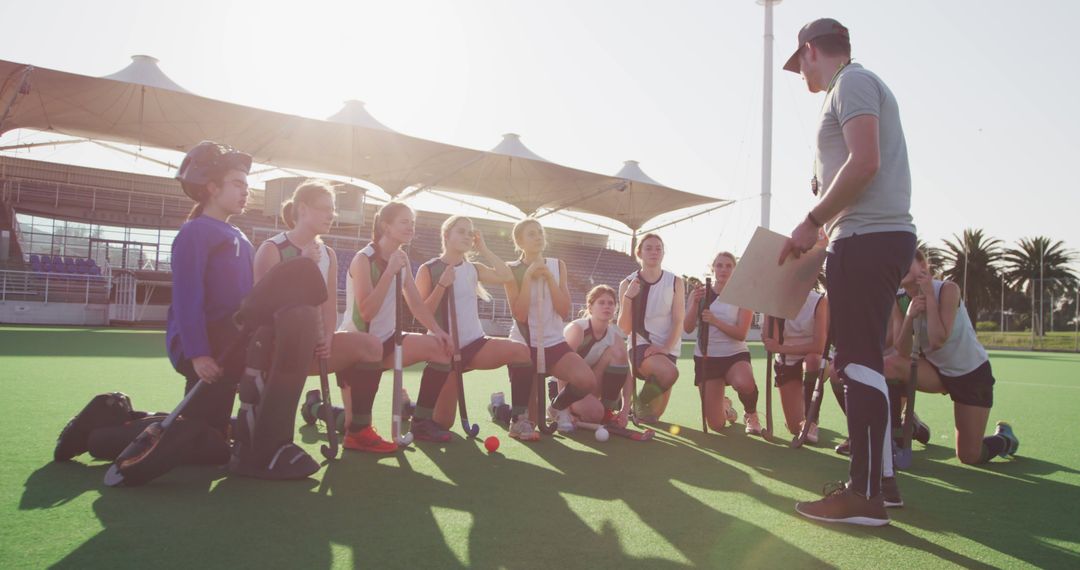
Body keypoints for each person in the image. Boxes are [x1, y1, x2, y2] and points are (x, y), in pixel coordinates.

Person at [779, 18, 917, 526]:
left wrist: (812, 220)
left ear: (811, 51)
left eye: (799, 64)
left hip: (866, 239)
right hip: (868, 237)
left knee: (856, 363)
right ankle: (880, 482)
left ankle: (863, 496)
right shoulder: (855, 87)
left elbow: (864, 163)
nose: (800, 75)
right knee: (865, 366)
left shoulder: (852, 82)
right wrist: (823, 228)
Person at [169, 141, 321, 479]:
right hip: (209, 351)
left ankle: (261, 443)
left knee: (214, 439)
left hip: (232, 346)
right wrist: (198, 354)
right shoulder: (195, 232)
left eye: (247, 186)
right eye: (237, 184)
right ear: (211, 188)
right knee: (203, 444)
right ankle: (109, 431)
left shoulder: (237, 234)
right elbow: (186, 297)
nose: (245, 193)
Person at [250, 180, 383, 436]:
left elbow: (329, 303)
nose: (331, 215)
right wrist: (301, 263)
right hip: (278, 349)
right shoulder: (272, 248)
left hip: (314, 346)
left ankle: (359, 431)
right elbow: (261, 308)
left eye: (332, 209)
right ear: (303, 209)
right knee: (269, 433)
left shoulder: (329, 254)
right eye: (324, 208)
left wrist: (328, 336)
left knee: (371, 345)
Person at [336, 201, 453, 450]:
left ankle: (421, 422)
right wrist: (389, 271)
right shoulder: (363, 259)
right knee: (350, 425)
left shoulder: (402, 258)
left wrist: (439, 331)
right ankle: (317, 408)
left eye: (412, 222)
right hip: (359, 344)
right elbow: (367, 312)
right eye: (404, 222)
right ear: (386, 226)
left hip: (388, 340)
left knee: (442, 350)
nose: (411, 227)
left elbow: (416, 304)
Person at [884, 250, 1018, 465]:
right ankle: (896, 437)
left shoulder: (947, 290)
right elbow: (902, 351)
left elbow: (938, 340)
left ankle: (1004, 439)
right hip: (935, 371)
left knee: (969, 456)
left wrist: (928, 296)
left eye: (905, 260)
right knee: (891, 365)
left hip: (970, 375)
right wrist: (909, 316)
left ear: (923, 266)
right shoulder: (899, 298)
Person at [411, 216, 534, 431]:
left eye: (470, 232)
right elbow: (422, 313)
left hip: (476, 345)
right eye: (461, 231)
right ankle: (409, 408)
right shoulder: (428, 269)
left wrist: (484, 248)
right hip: (445, 350)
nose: (467, 236)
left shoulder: (473, 269)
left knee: (521, 351)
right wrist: (442, 284)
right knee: (443, 422)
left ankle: (518, 419)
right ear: (446, 235)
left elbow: (506, 276)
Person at [503, 218, 596, 440]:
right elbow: (520, 314)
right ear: (519, 241)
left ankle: (556, 407)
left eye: (540, 233)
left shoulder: (557, 265)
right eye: (531, 234)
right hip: (524, 344)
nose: (538, 237)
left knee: (586, 380)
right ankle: (504, 412)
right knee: (530, 422)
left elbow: (564, 310)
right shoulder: (511, 269)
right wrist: (528, 278)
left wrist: (549, 279)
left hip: (553, 342)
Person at [684, 252, 759, 433]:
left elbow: (741, 334)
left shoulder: (743, 294)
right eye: (719, 265)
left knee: (744, 383)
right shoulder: (700, 293)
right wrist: (694, 303)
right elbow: (687, 328)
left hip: (734, 354)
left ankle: (751, 414)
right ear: (712, 268)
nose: (723, 269)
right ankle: (725, 405)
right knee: (716, 425)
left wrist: (716, 321)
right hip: (707, 357)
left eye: (728, 266)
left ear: (735, 269)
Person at [618, 233, 685, 422]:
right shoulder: (627, 283)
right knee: (669, 372)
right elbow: (624, 328)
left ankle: (638, 402)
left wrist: (664, 348)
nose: (654, 252)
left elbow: (679, 320)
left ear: (664, 253)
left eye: (658, 248)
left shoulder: (675, 282)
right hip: (641, 347)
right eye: (648, 248)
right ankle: (636, 403)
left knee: (653, 416)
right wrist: (629, 298)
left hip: (667, 349)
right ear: (639, 252)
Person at [560, 285, 633, 428]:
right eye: (601, 302)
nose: (607, 306)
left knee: (617, 353)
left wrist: (625, 410)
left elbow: (627, 376)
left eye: (611, 303)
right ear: (590, 307)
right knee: (594, 414)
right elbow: (562, 369)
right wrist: (564, 409)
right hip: (565, 388)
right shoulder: (577, 329)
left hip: (590, 385)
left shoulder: (615, 337)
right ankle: (557, 408)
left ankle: (607, 410)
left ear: (615, 309)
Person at [762, 289, 829, 442]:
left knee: (813, 361)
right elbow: (772, 341)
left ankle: (811, 421)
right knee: (794, 428)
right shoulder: (777, 300)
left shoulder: (819, 301)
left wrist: (781, 349)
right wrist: (768, 310)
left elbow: (819, 346)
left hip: (813, 356)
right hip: (786, 360)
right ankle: (804, 409)